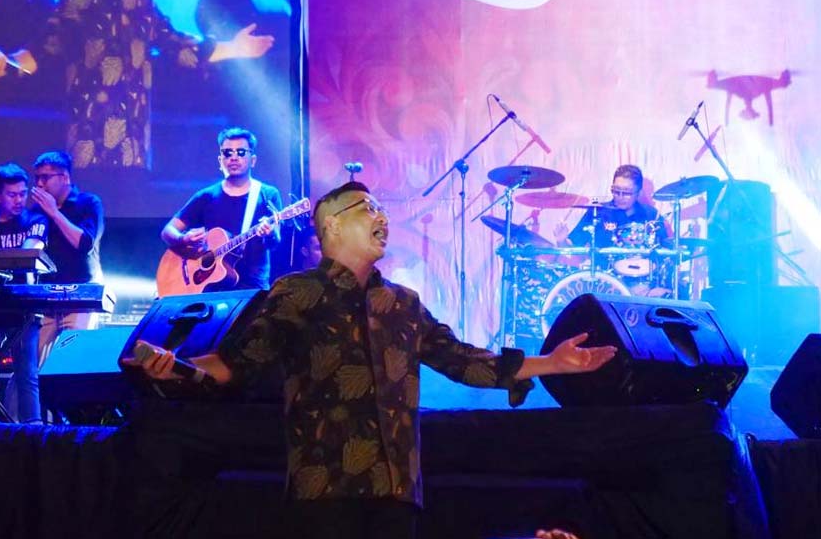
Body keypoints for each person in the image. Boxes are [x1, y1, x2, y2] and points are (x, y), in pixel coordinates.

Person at [134, 181, 617, 539]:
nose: (381, 217)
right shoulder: (297, 292)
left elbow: (461, 360)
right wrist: (177, 367)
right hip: (325, 487)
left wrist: (552, 363)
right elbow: (237, 363)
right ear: (332, 225)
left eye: (382, 209)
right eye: (368, 209)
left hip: (395, 488)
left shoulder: (402, 303)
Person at [0, 0, 274, 169]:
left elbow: (178, 46)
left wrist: (234, 48)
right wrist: (5, 62)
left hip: (134, 151)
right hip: (89, 147)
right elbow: (42, 49)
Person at [160, 127, 282, 292]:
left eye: (241, 152)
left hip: (252, 288)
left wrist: (270, 234)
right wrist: (183, 239)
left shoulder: (268, 195)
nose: (234, 157)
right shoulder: (206, 196)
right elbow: (168, 231)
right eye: (227, 153)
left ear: (253, 160)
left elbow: (275, 242)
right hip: (210, 289)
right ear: (220, 161)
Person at [0, 163, 48, 422]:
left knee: (27, 376)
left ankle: (33, 433)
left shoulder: (35, 221)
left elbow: (31, 252)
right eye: (12, 194)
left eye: (22, 193)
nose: (19, 200)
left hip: (25, 309)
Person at [31, 150, 105, 368]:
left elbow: (84, 244)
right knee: (37, 367)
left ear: (65, 177)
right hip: (46, 299)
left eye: (45, 177)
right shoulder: (37, 211)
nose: (40, 184)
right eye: (37, 178)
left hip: (81, 297)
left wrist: (55, 213)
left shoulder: (88, 203)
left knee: (74, 362)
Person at [554, 164, 671, 295]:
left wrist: (661, 286)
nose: (620, 196)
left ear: (638, 193)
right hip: (605, 286)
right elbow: (574, 247)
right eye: (616, 191)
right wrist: (561, 241)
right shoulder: (598, 213)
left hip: (643, 286)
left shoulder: (651, 215)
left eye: (626, 193)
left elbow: (666, 255)